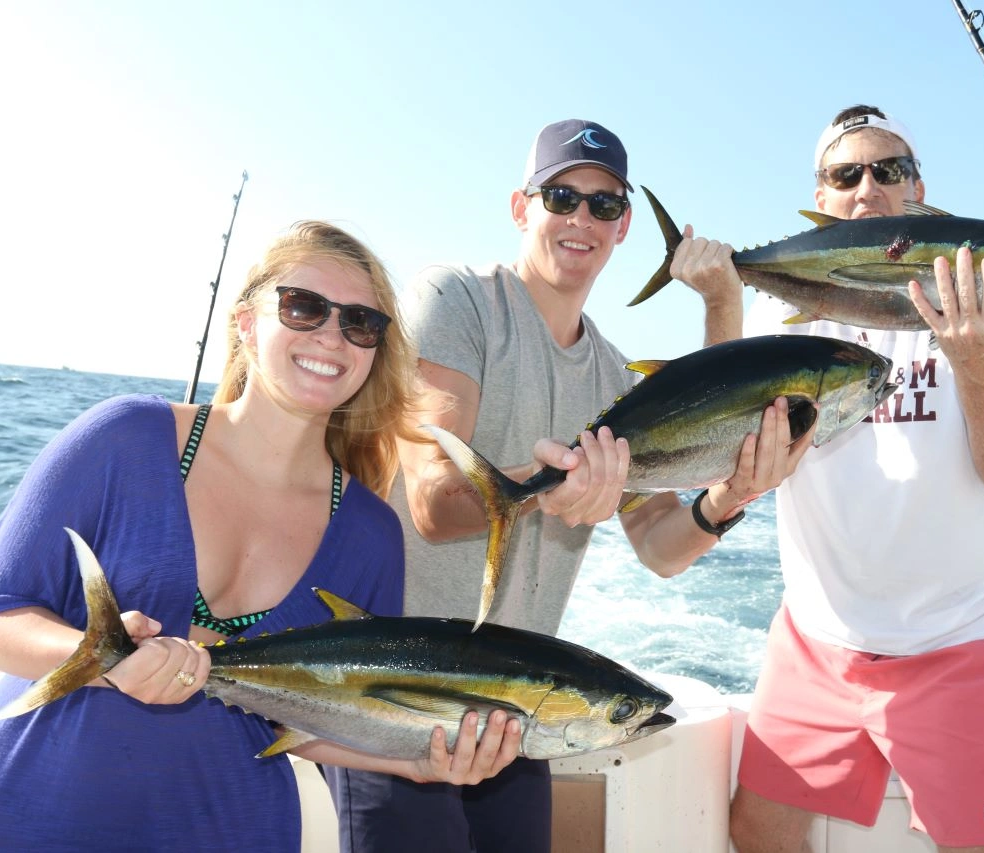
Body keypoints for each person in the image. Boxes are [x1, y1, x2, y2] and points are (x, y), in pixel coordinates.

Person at [0, 221, 521, 851]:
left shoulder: (370, 534)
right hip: (21, 815)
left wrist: (415, 763)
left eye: (360, 322)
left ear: (375, 351)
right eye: (303, 307)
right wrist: (106, 662)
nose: (331, 335)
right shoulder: (122, 438)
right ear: (247, 323)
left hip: (229, 826)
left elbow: (314, 713)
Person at [322, 119, 807, 852]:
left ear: (623, 228)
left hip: (521, 707)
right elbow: (431, 500)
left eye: (603, 205)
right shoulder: (456, 300)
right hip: (398, 686)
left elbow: (662, 546)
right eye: (561, 196)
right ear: (522, 207)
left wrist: (728, 495)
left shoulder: (615, 380)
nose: (581, 218)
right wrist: (540, 489)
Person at [674, 106, 984, 852]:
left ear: (919, 190)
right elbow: (724, 441)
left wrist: (976, 363)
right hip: (818, 638)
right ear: (820, 200)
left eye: (889, 170)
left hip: (963, 641)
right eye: (845, 175)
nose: (868, 188)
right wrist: (723, 299)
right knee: (757, 832)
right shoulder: (782, 310)